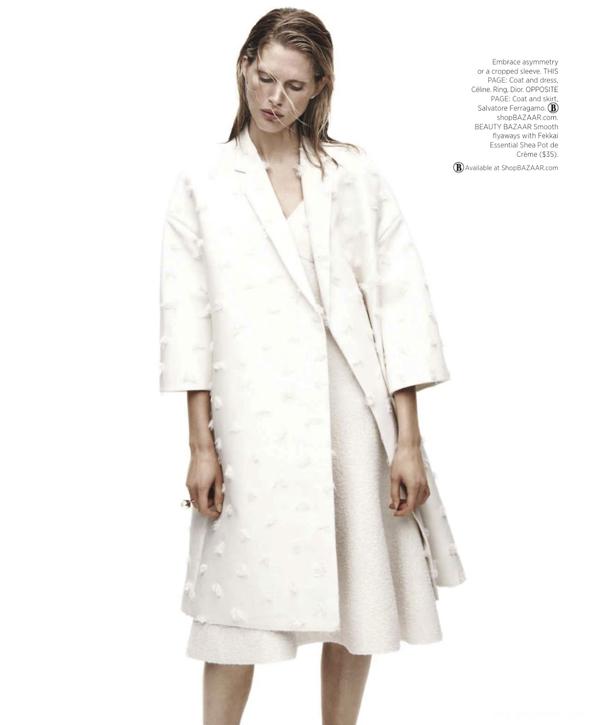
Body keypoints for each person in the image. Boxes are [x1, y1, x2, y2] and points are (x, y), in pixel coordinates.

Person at [159, 7, 465, 724]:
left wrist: (409, 440)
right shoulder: (204, 182)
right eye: (265, 78)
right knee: (235, 610)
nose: (275, 99)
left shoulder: (353, 173)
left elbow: (398, 305)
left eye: (295, 86)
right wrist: (200, 445)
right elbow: (186, 320)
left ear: (320, 87)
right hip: (252, 420)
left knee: (360, 592)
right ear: (243, 66)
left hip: (351, 411)